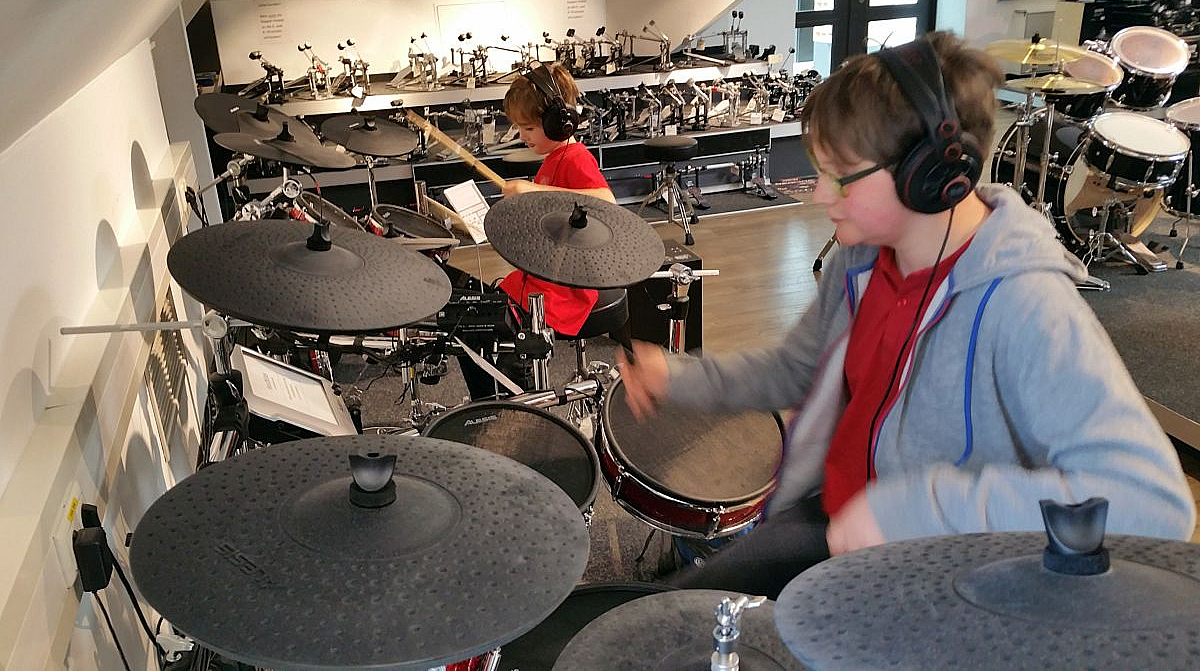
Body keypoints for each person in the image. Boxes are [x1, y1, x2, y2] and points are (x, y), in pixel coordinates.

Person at [618, 31, 1196, 598]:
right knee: (671, 618)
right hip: (833, 521)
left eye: (839, 175)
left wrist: (918, 510)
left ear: (930, 174)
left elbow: (1151, 501)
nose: (819, 195)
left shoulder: (1025, 304)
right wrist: (679, 378)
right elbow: (797, 369)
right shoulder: (861, 259)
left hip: (931, 574)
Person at [498, 62, 615, 338]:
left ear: (557, 123)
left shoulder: (576, 158)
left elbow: (607, 201)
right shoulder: (553, 158)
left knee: (497, 324)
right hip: (546, 272)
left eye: (528, 127)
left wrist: (534, 191)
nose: (522, 136)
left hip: (567, 287)